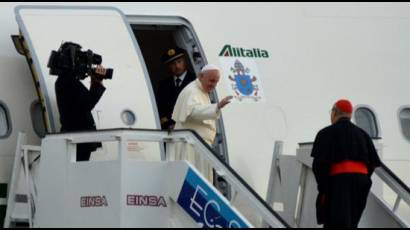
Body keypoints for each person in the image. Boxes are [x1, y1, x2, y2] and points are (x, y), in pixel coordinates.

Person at [311, 99, 382, 228]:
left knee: (335, 223)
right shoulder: (363, 135)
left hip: (339, 183)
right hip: (361, 183)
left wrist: (324, 187)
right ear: (349, 115)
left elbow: (318, 166)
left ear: (334, 113)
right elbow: (372, 165)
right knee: (352, 222)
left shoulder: (325, 133)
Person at [172, 64, 232, 182]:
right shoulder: (191, 91)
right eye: (211, 81)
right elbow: (193, 111)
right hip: (190, 147)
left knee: (202, 181)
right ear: (201, 76)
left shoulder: (201, 91)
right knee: (191, 182)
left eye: (216, 82)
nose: (213, 85)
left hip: (198, 147)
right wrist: (217, 106)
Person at [55, 65, 107, 161]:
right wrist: (97, 81)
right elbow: (87, 103)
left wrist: (96, 81)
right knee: (78, 171)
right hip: (79, 139)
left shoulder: (65, 80)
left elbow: (83, 104)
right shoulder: (68, 81)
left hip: (77, 138)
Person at [156, 47, 196, 130]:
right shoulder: (163, 85)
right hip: (170, 131)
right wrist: (169, 125)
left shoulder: (195, 81)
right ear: (168, 66)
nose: (177, 66)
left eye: (179, 62)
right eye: (173, 64)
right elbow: (160, 109)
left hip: (190, 130)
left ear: (185, 61)